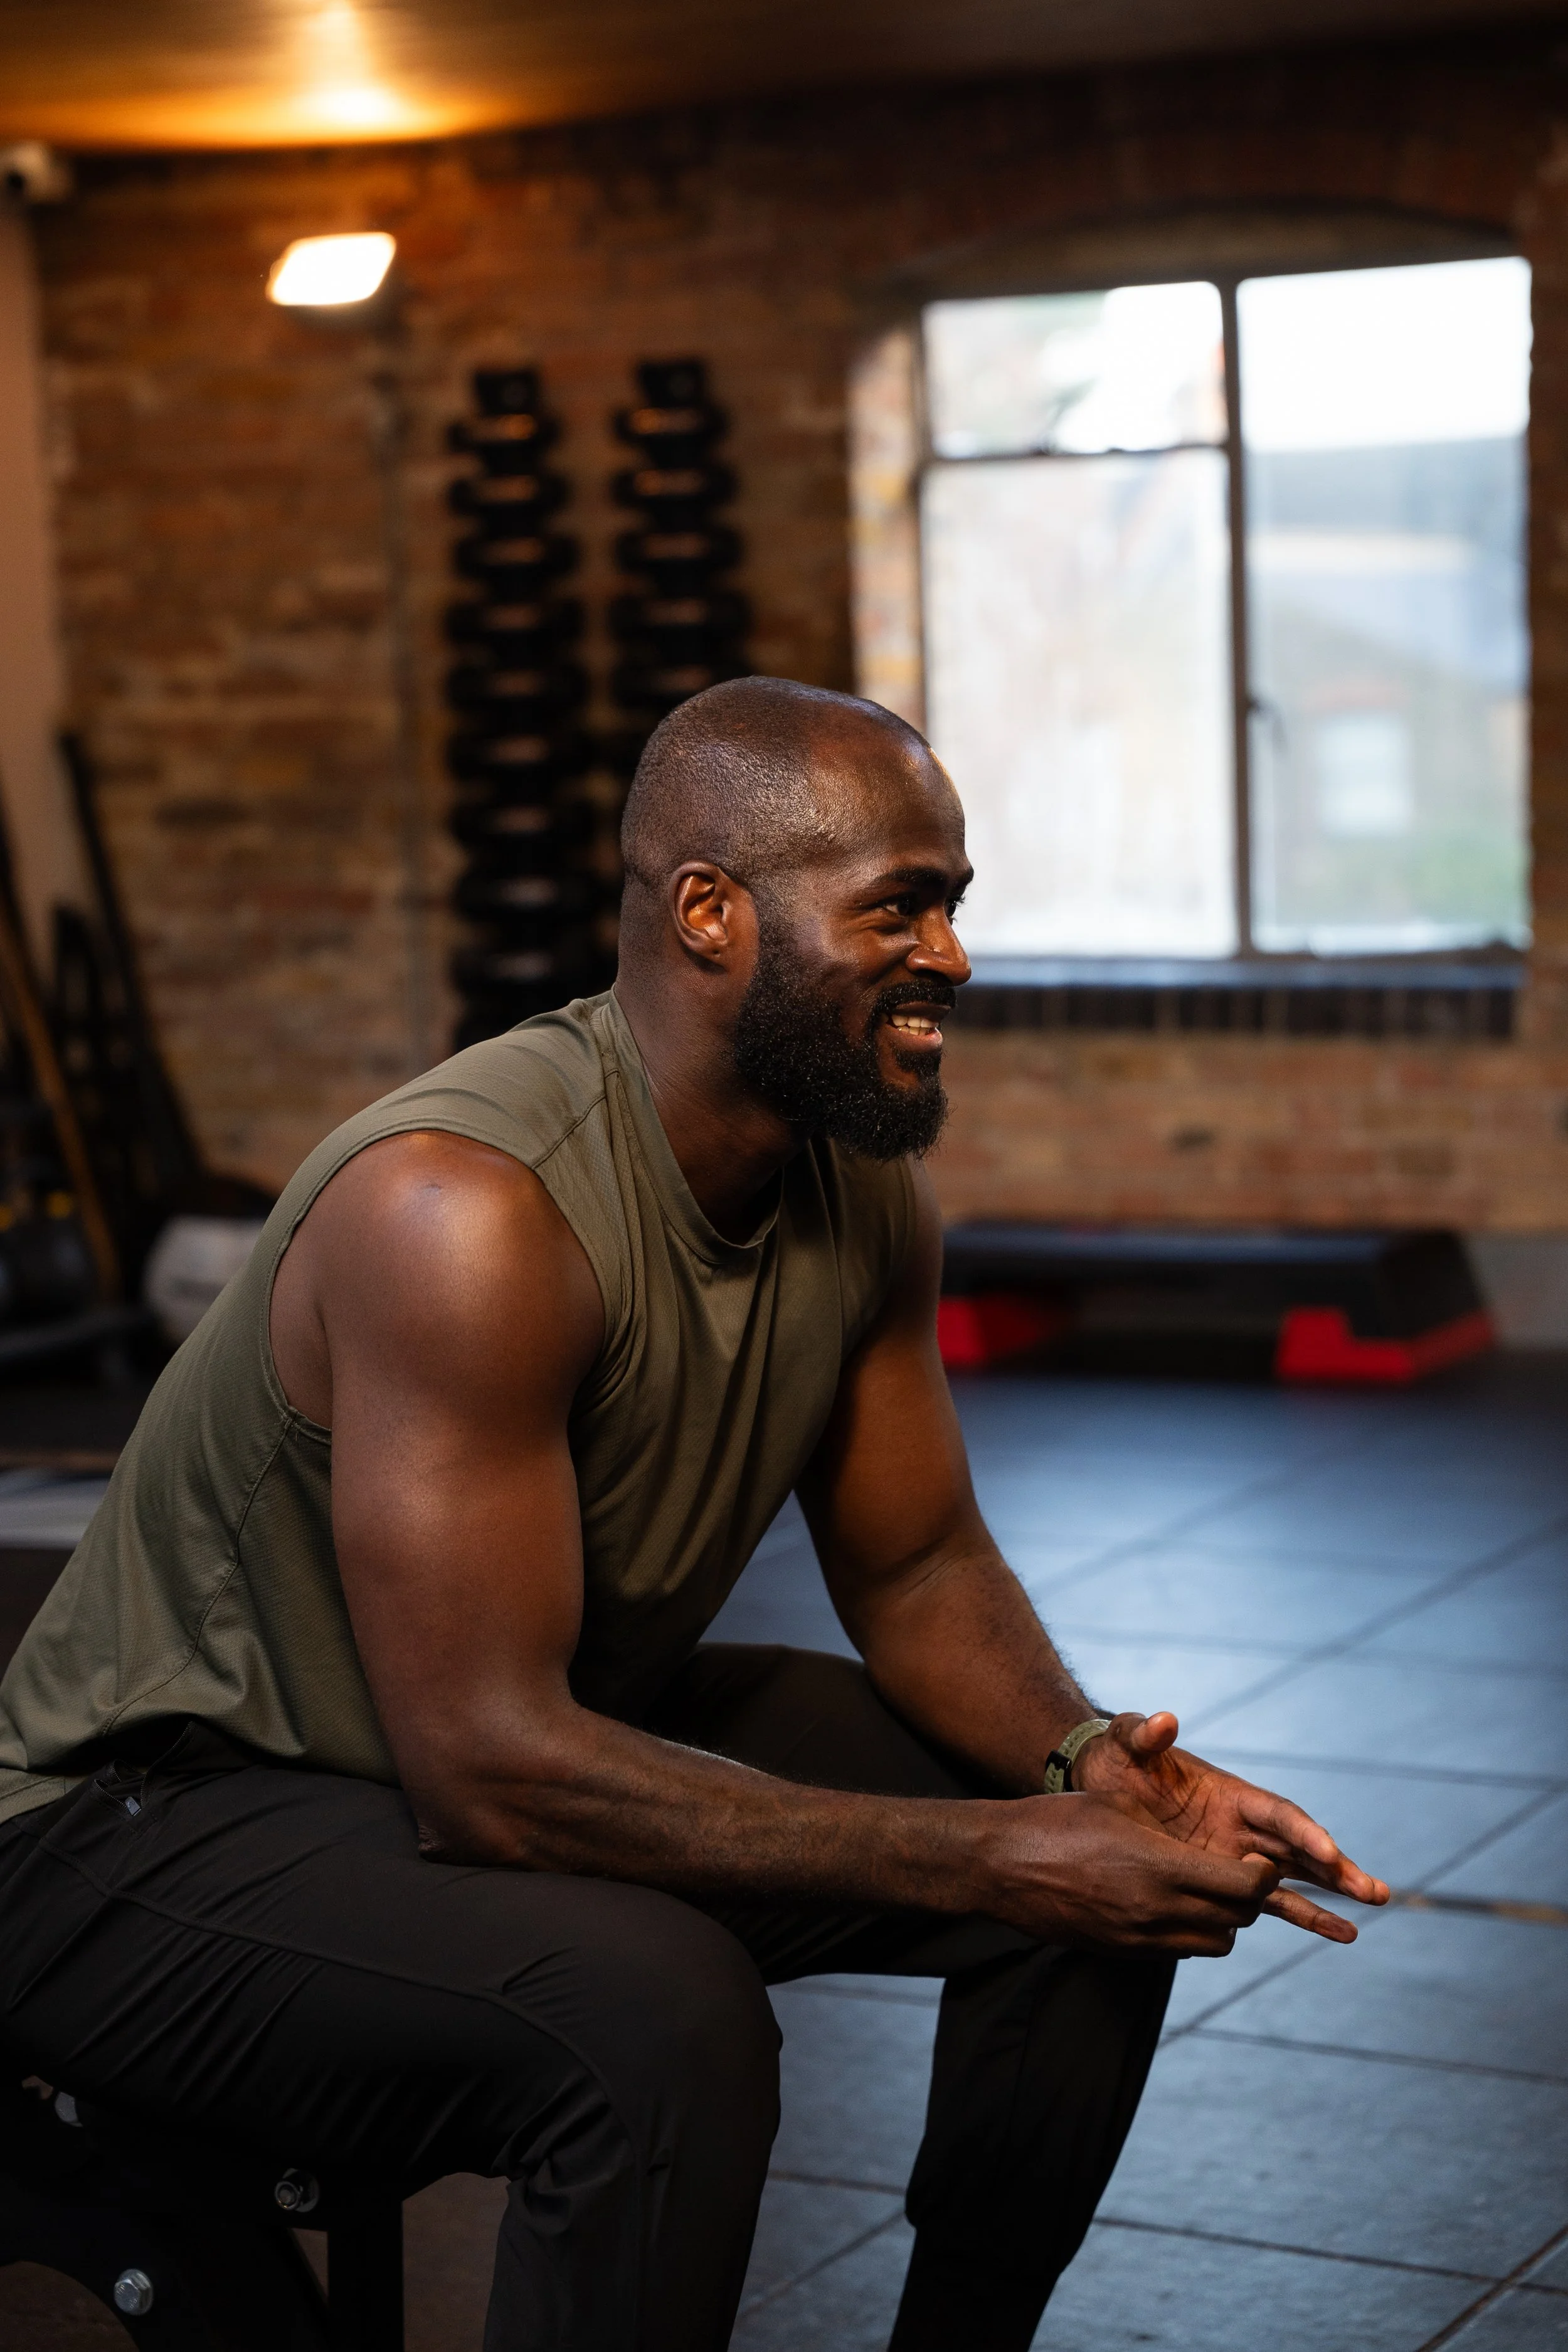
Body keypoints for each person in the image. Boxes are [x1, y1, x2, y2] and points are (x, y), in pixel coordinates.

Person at [0, 678, 1386, 2352]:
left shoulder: (856, 1182)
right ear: (709, 914)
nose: (951, 955)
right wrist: (1003, 1854)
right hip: (142, 1831)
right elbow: (491, 1769)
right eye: (900, 905)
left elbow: (919, 1559)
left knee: (1109, 1862)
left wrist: (1088, 1765)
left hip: (488, 1730)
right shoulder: (466, 1212)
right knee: (657, 2015)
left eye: (953, 904)